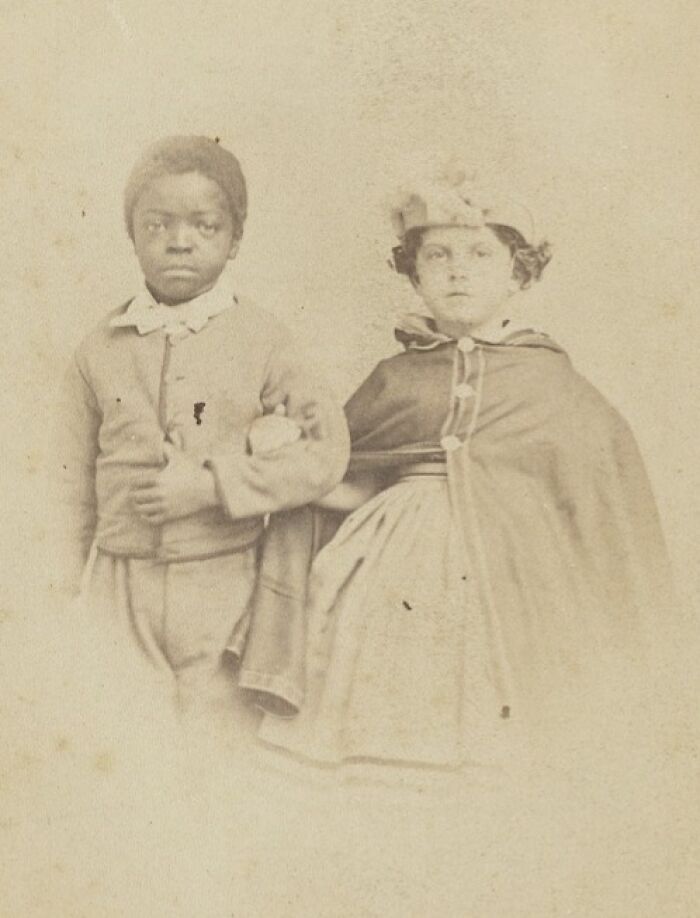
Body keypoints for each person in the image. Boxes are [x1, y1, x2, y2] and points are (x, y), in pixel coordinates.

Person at [245, 166, 672, 783]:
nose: (457, 270)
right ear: (415, 274)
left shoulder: (552, 385)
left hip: (507, 581)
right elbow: (353, 474)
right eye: (437, 255)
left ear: (518, 273)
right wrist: (287, 459)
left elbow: (602, 505)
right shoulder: (396, 376)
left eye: (479, 254)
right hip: (383, 569)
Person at [54, 135, 350, 715]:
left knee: (213, 751)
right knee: (118, 739)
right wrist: (59, 590)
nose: (180, 242)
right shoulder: (97, 349)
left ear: (235, 239)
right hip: (118, 585)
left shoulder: (265, 339)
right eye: (157, 225)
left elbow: (326, 451)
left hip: (223, 584)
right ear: (132, 235)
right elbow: (64, 484)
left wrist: (214, 485)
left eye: (204, 226)